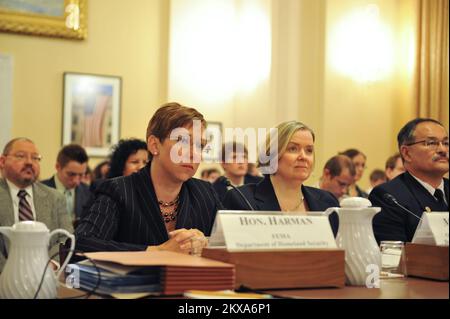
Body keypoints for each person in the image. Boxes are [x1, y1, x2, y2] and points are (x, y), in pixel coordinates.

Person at [75, 102, 222, 254]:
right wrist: (155, 251)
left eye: (199, 145)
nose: (193, 153)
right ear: (154, 145)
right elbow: (82, 242)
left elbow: (229, 243)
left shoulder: (205, 193)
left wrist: (206, 242)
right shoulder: (119, 191)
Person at [223, 121, 339, 236]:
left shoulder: (328, 202)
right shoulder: (242, 199)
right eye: (293, 149)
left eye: (309, 150)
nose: (303, 157)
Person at [370, 118, 449, 243]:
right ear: (406, 153)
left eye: (446, 143)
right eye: (431, 143)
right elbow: (394, 257)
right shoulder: (388, 197)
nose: (443, 150)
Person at [0, 138, 73, 271]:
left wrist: (50, 265)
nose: (29, 162)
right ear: (3, 162)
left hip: (46, 277)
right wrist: (12, 273)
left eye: (35, 158)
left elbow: (66, 237)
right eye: (21, 156)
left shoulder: (55, 198)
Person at [42, 144, 91, 223]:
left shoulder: (89, 192)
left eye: (81, 175)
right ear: (58, 167)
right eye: (71, 174)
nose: (76, 181)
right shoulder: (40, 189)